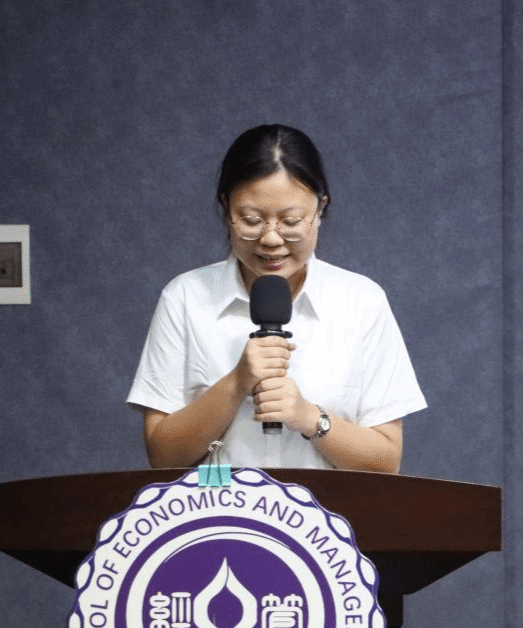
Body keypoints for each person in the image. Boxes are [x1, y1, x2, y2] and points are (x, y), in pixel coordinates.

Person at [127, 124, 426, 473]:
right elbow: (162, 457)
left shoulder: (362, 302)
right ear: (226, 208)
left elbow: (386, 463)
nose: (271, 239)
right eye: (251, 220)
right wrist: (237, 383)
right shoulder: (185, 298)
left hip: (327, 509)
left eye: (291, 221)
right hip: (220, 507)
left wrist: (309, 417)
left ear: (320, 210)